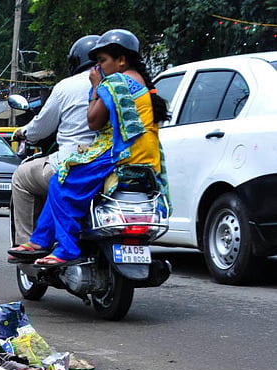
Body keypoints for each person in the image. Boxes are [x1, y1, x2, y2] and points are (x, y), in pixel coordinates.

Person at [9, 28, 168, 266]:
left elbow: (93, 120)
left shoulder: (115, 82)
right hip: (144, 157)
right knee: (59, 181)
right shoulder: (140, 81)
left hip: (120, 156)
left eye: (103, 61)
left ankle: (65, 248)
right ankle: (40, 240)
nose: (99, 67)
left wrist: (95, 87)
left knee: (60, 181)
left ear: (121, 60)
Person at [8, 35, 100, 254]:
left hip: (76, 162)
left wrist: (23, 132)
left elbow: (41, 127)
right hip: (115, 163)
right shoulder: (124, 85)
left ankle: (30, 245)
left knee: (21, 177)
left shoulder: (67, 87)